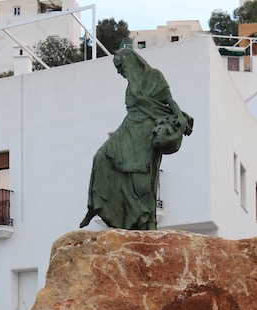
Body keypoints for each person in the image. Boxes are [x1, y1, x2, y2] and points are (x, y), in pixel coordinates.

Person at [80, 48, 193, 230]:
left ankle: (144, 219)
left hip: (146, 131)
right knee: (100, 157)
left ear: (129, 63)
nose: (119, 72)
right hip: (128, 127)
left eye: (120, 67)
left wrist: (179, 116)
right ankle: (97, 205)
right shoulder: (130, 86)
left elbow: (169, 101)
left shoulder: (155, 77)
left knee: (140, 178)